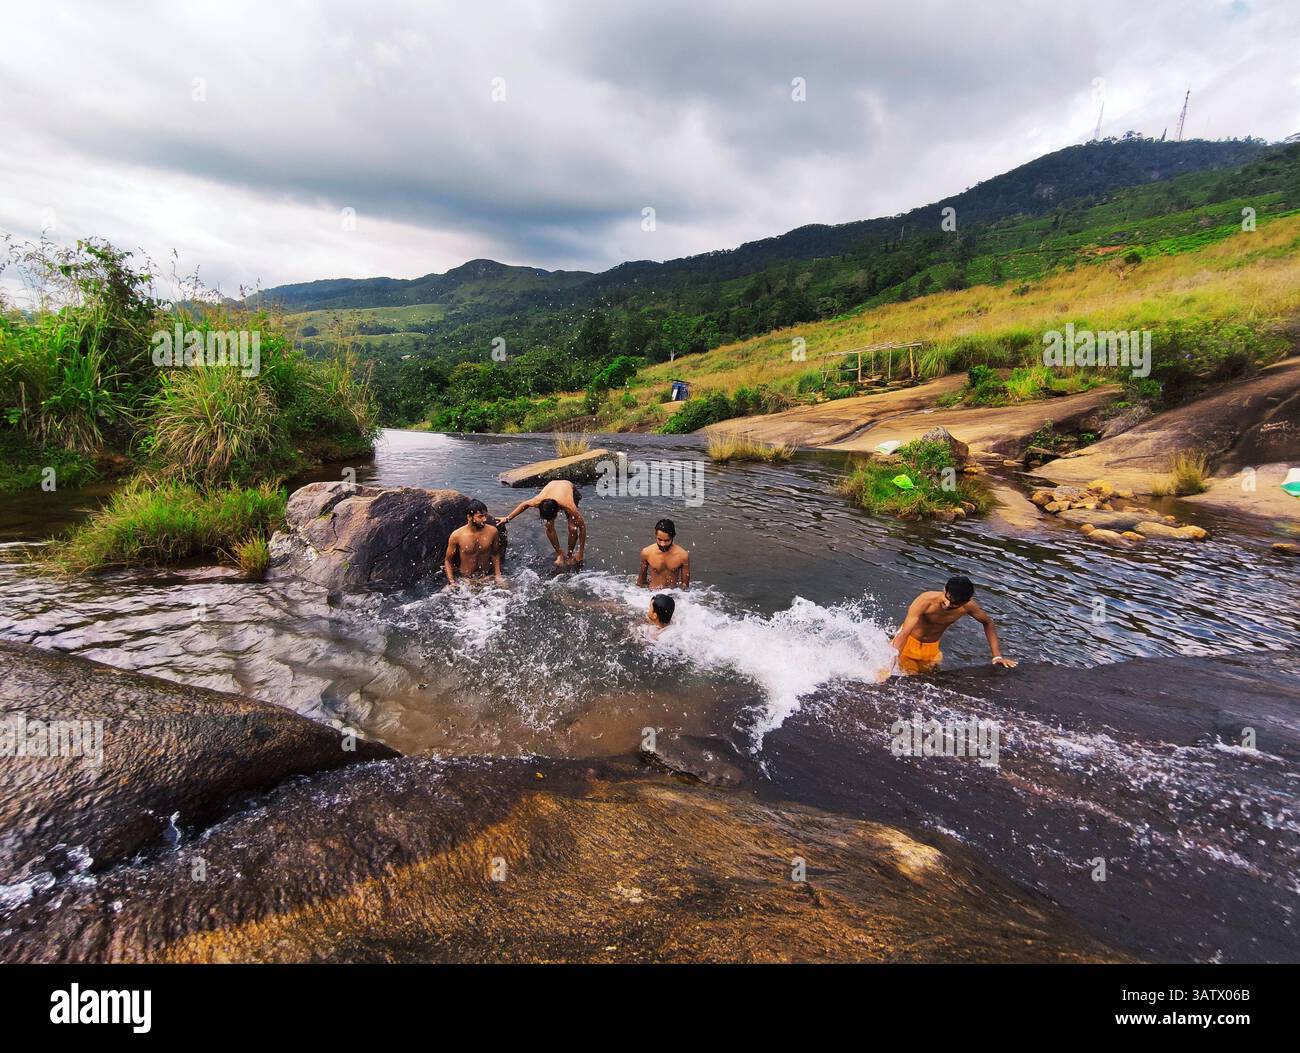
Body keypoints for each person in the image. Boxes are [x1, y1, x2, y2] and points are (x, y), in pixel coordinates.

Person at [890, 575, 1017, 675]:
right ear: (944, 589)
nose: (948, 605)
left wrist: (997, 657)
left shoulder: (968, 606)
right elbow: (904, 633)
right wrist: (891, 665)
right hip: (908, 645)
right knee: (910, 678)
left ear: (967, 600)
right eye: (947, 598)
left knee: (931, 681)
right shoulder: (925, 601)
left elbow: (988, 622)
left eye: (955, 604)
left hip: (931, 649)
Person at [499, 479, 586, 567]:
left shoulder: (569, 505)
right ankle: (560, 554)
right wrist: (507, 518)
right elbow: (523, 505)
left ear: (556, 512)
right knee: (548, 525)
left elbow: (582, 527)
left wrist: (580, 553)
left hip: (569, 488)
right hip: (552, 485)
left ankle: (570, 555)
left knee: (573, 527)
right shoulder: (538, 501)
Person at [443, 499, 504, 587]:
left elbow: (495, 554)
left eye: (485, 515)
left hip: (486, 577)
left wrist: (498, 576)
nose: (485, 519)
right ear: (469, 517)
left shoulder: (492, 531)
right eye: (480, 516)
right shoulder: (457, 535)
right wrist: (451, 581)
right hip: (464, 580)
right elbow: (448, 561)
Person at [638, 518, 690, 589]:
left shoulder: (683, 556)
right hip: (651, 593)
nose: (662, 544)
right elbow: (641, 582)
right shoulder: (647, 553)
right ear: (655, 536)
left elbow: (685, 586)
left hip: (673, 593)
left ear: (673, 537)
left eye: (666, 540)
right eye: (659, 539)